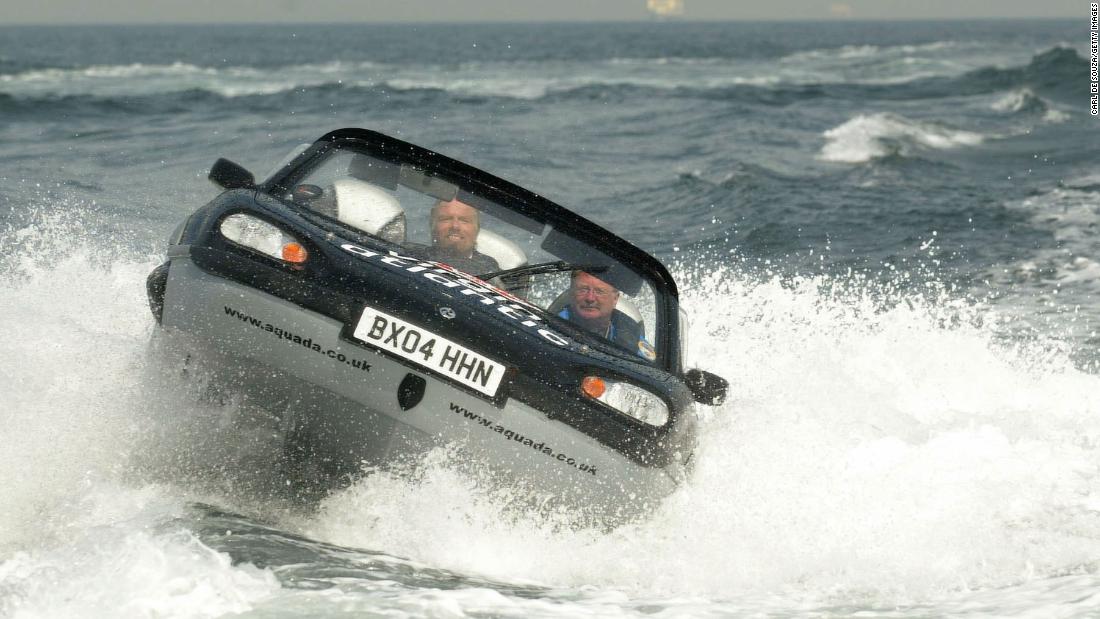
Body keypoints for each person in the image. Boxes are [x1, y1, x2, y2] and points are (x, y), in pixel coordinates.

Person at [558, 271, 657, 360]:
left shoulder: (631, 338)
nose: (590, 298)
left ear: (615, 299)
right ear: (571, 294)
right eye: (583, 290)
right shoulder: (553, 325)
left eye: (599, 291)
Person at [427, 198, 500, 275]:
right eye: (446, 219)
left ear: (477, 229)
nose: (455, 226)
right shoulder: (415, 258)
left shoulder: (492, 273)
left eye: (464, 220)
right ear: (432, 225)